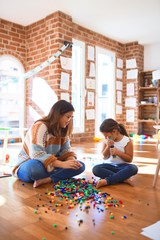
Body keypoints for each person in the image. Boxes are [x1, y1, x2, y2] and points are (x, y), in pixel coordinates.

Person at [12, 100, 85, 188]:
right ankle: (58, 175)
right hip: (30, 164)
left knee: (81, 166)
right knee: (34, 169)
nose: (69, 120)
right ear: (58, 115)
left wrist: (72, 161)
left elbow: (66, 151)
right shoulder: (40, 126)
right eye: (68, 117)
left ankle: (49, 179)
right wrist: (62, 165)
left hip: (51, 165)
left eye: (71, 117)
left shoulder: (63, 130)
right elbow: (37, 154)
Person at [92, 118, 138, 188]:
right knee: (96, 169)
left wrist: (118, 153)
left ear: (114, 131)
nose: (106, 138)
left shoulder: (127, 141)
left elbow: (129, 159)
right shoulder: (106, 140)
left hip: (122, 167)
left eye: (107, 136)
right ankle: (123, 179)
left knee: (133, 168)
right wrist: (108, 146)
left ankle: (107, 181)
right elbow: (104, 157)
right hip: (109, 166)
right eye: (104, 136)